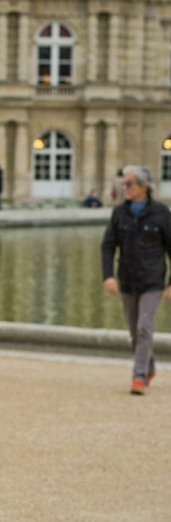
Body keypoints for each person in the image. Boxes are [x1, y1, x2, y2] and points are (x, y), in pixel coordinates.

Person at [101, 165, 171, 394]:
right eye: (124, 184)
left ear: (144, 187)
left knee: (143, 328)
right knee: (134, 331)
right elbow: (108, 246)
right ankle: (149, 366)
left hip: (152, 280)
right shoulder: (120, 213)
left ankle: (139, 376)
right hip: (128, 280)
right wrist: (108, 275)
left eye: (129, 184)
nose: (125, 188)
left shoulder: (161, 213)